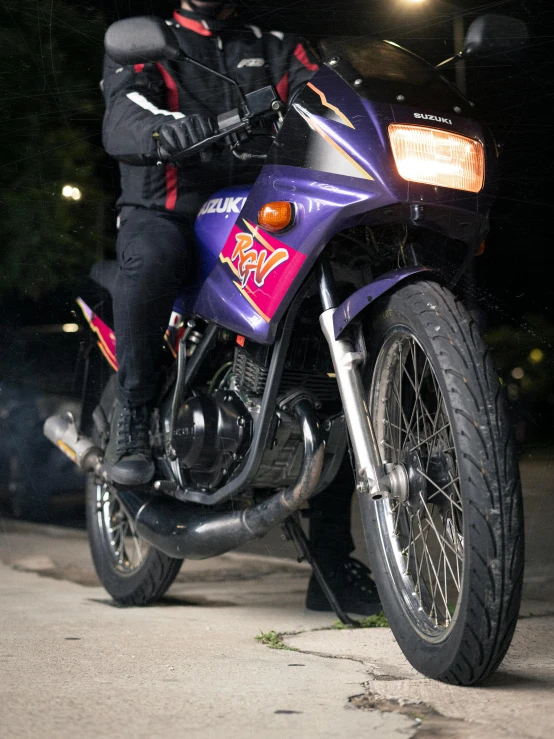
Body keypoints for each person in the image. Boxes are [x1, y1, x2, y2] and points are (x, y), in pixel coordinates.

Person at [101, 0, 381, 615]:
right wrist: (162, 131)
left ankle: (333, 561)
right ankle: (132, 412)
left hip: (259, 206)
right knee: (151, 260)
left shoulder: (281, 45)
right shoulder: (155, 41)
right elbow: (125, 114)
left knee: (325, 359)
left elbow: (334, 94)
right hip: (169, 207)